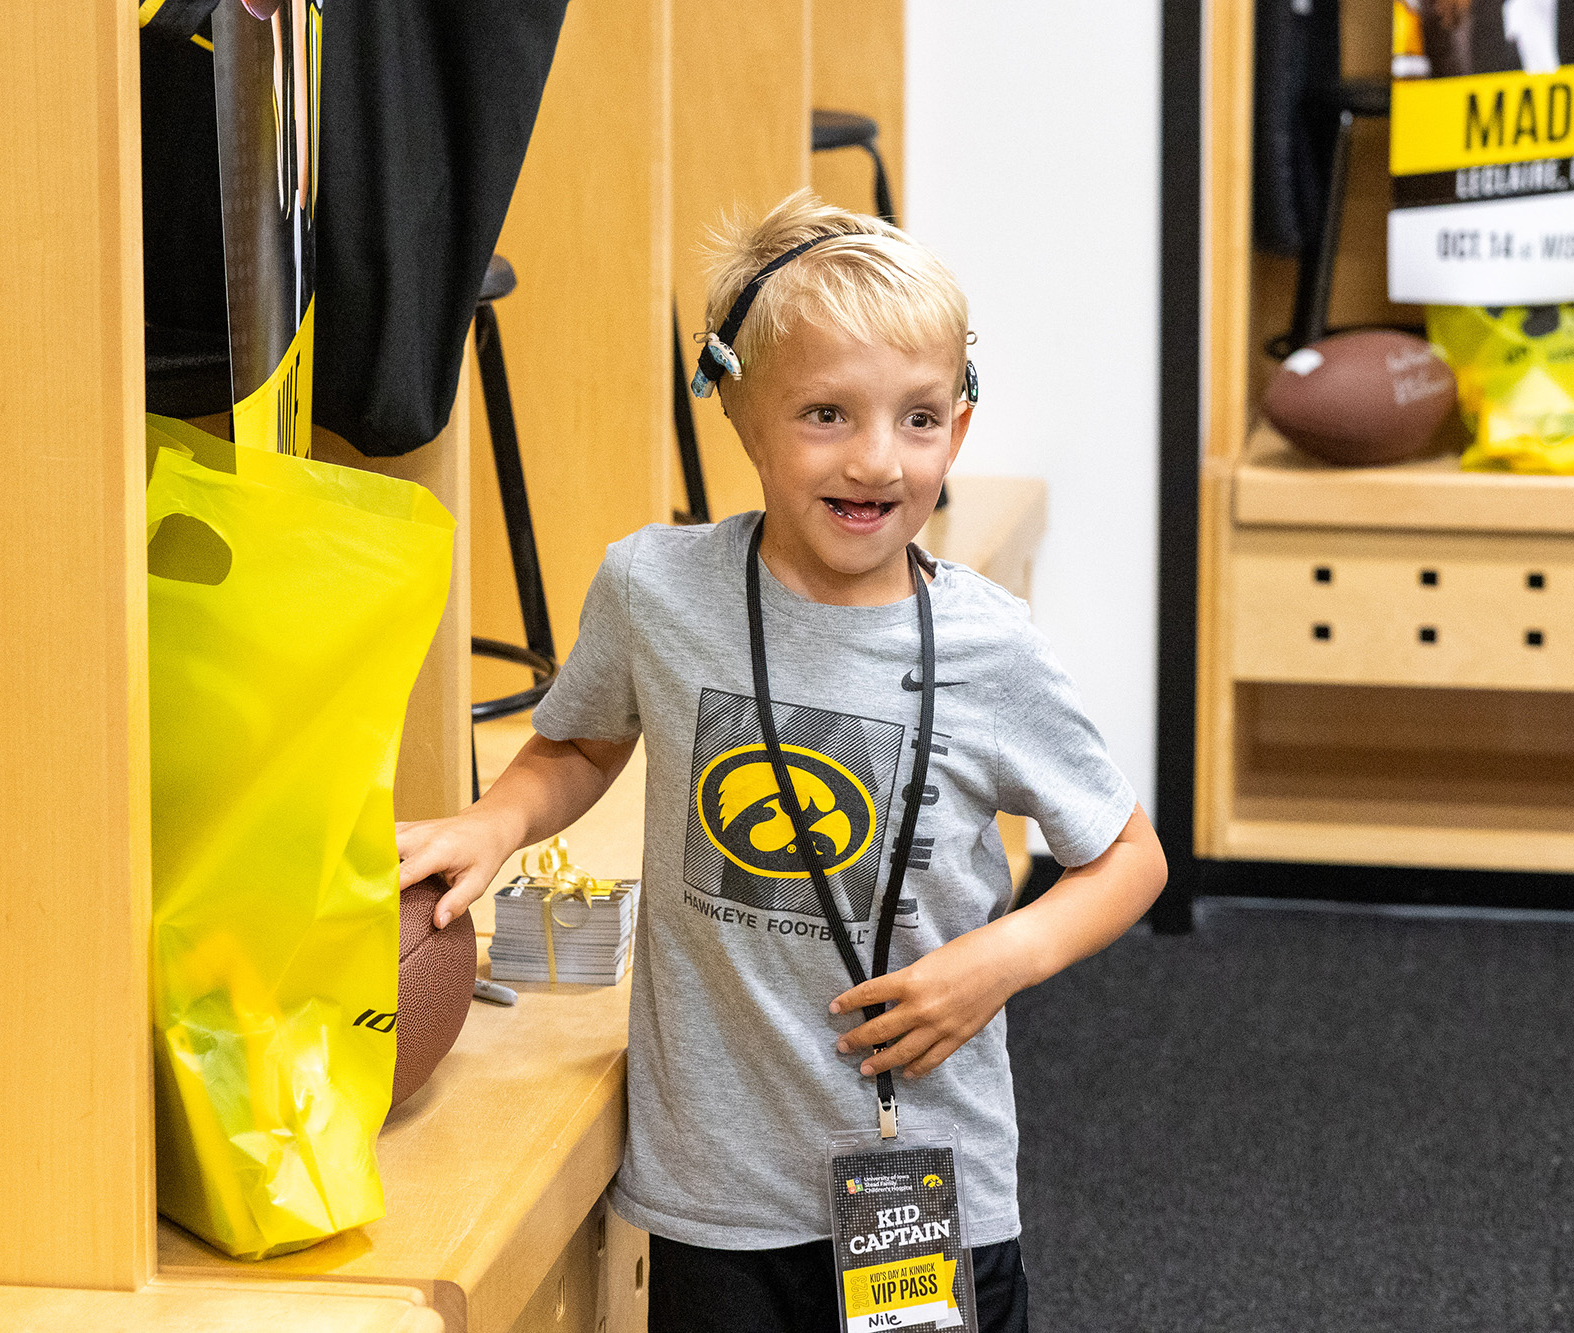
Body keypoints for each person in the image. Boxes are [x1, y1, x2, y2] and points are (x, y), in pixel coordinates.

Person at [395, 189, 1166, 1333]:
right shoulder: (654, 590)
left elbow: (1127, 858)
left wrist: (993, 962)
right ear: (737, 410)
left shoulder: (989, 647)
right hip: (718, 1192)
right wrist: (495, 821)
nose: (874, 461)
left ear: (957, 431)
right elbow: (581, 739)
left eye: (915, 419)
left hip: (927, 1178)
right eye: (823, 414)